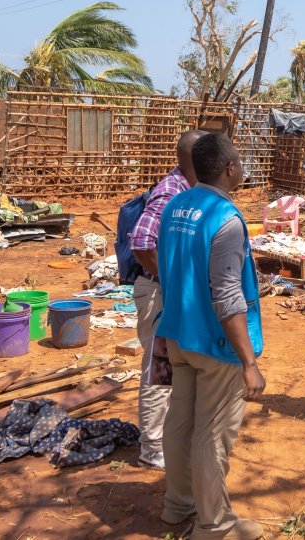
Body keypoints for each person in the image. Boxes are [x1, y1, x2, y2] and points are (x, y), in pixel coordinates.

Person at [156, 133, 266, 540]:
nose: (242, 167)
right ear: (228, 169)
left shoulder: (175, 206)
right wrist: (249, 364)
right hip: (215, 344)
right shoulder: (226, 219)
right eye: (238, 161)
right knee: (212, 433)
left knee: (180, 421)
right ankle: (214, 525)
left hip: (178, 334)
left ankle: (177, 504)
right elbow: (228, 296)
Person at [129, 129, 207, 470]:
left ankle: (166, 438)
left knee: (173, 368)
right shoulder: (171, 191)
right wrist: (169, 279)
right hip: (160, 292)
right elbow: (142, 242)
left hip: (170, 292)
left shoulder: (189, 189)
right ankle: (152, 448)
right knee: (158, 369)